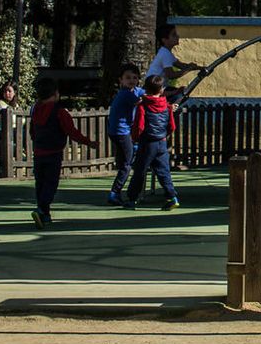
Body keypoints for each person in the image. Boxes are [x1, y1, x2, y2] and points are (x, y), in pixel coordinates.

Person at [29, 77, 97, 227]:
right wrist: (88, 142)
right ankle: (42, 209)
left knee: (40, 183)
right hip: (53, 153)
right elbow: (72, 132)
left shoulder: (35, 111)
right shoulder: (59, 112)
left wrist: (36, 141)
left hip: (39, 152)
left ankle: (44, 214)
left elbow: (32, 131)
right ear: (56, 94)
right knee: (51, 184)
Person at [123, 75, 180, 211]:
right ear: (161, 90)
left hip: (147, 142)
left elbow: (139, 126)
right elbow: (172, 126)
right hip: (161, 142)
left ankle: (132, 199)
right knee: (164, 171)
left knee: (140, 171)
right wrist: (164, 135)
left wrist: (135, 138)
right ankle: (172, 197)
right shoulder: (166, 106)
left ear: (146, 89)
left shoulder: (143, 105)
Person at [105, 64, 145, 206]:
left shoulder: (135, 90)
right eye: (128, 78)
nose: (131, 80)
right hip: (120, 132)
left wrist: (170, 92)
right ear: (120, 80)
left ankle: (115, 192)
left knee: (124, 161)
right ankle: (114, 193)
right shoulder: (126, 94)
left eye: (134, 77)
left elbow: (147, 92)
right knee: (127, 165)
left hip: (119, 131)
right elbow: (143, 100)